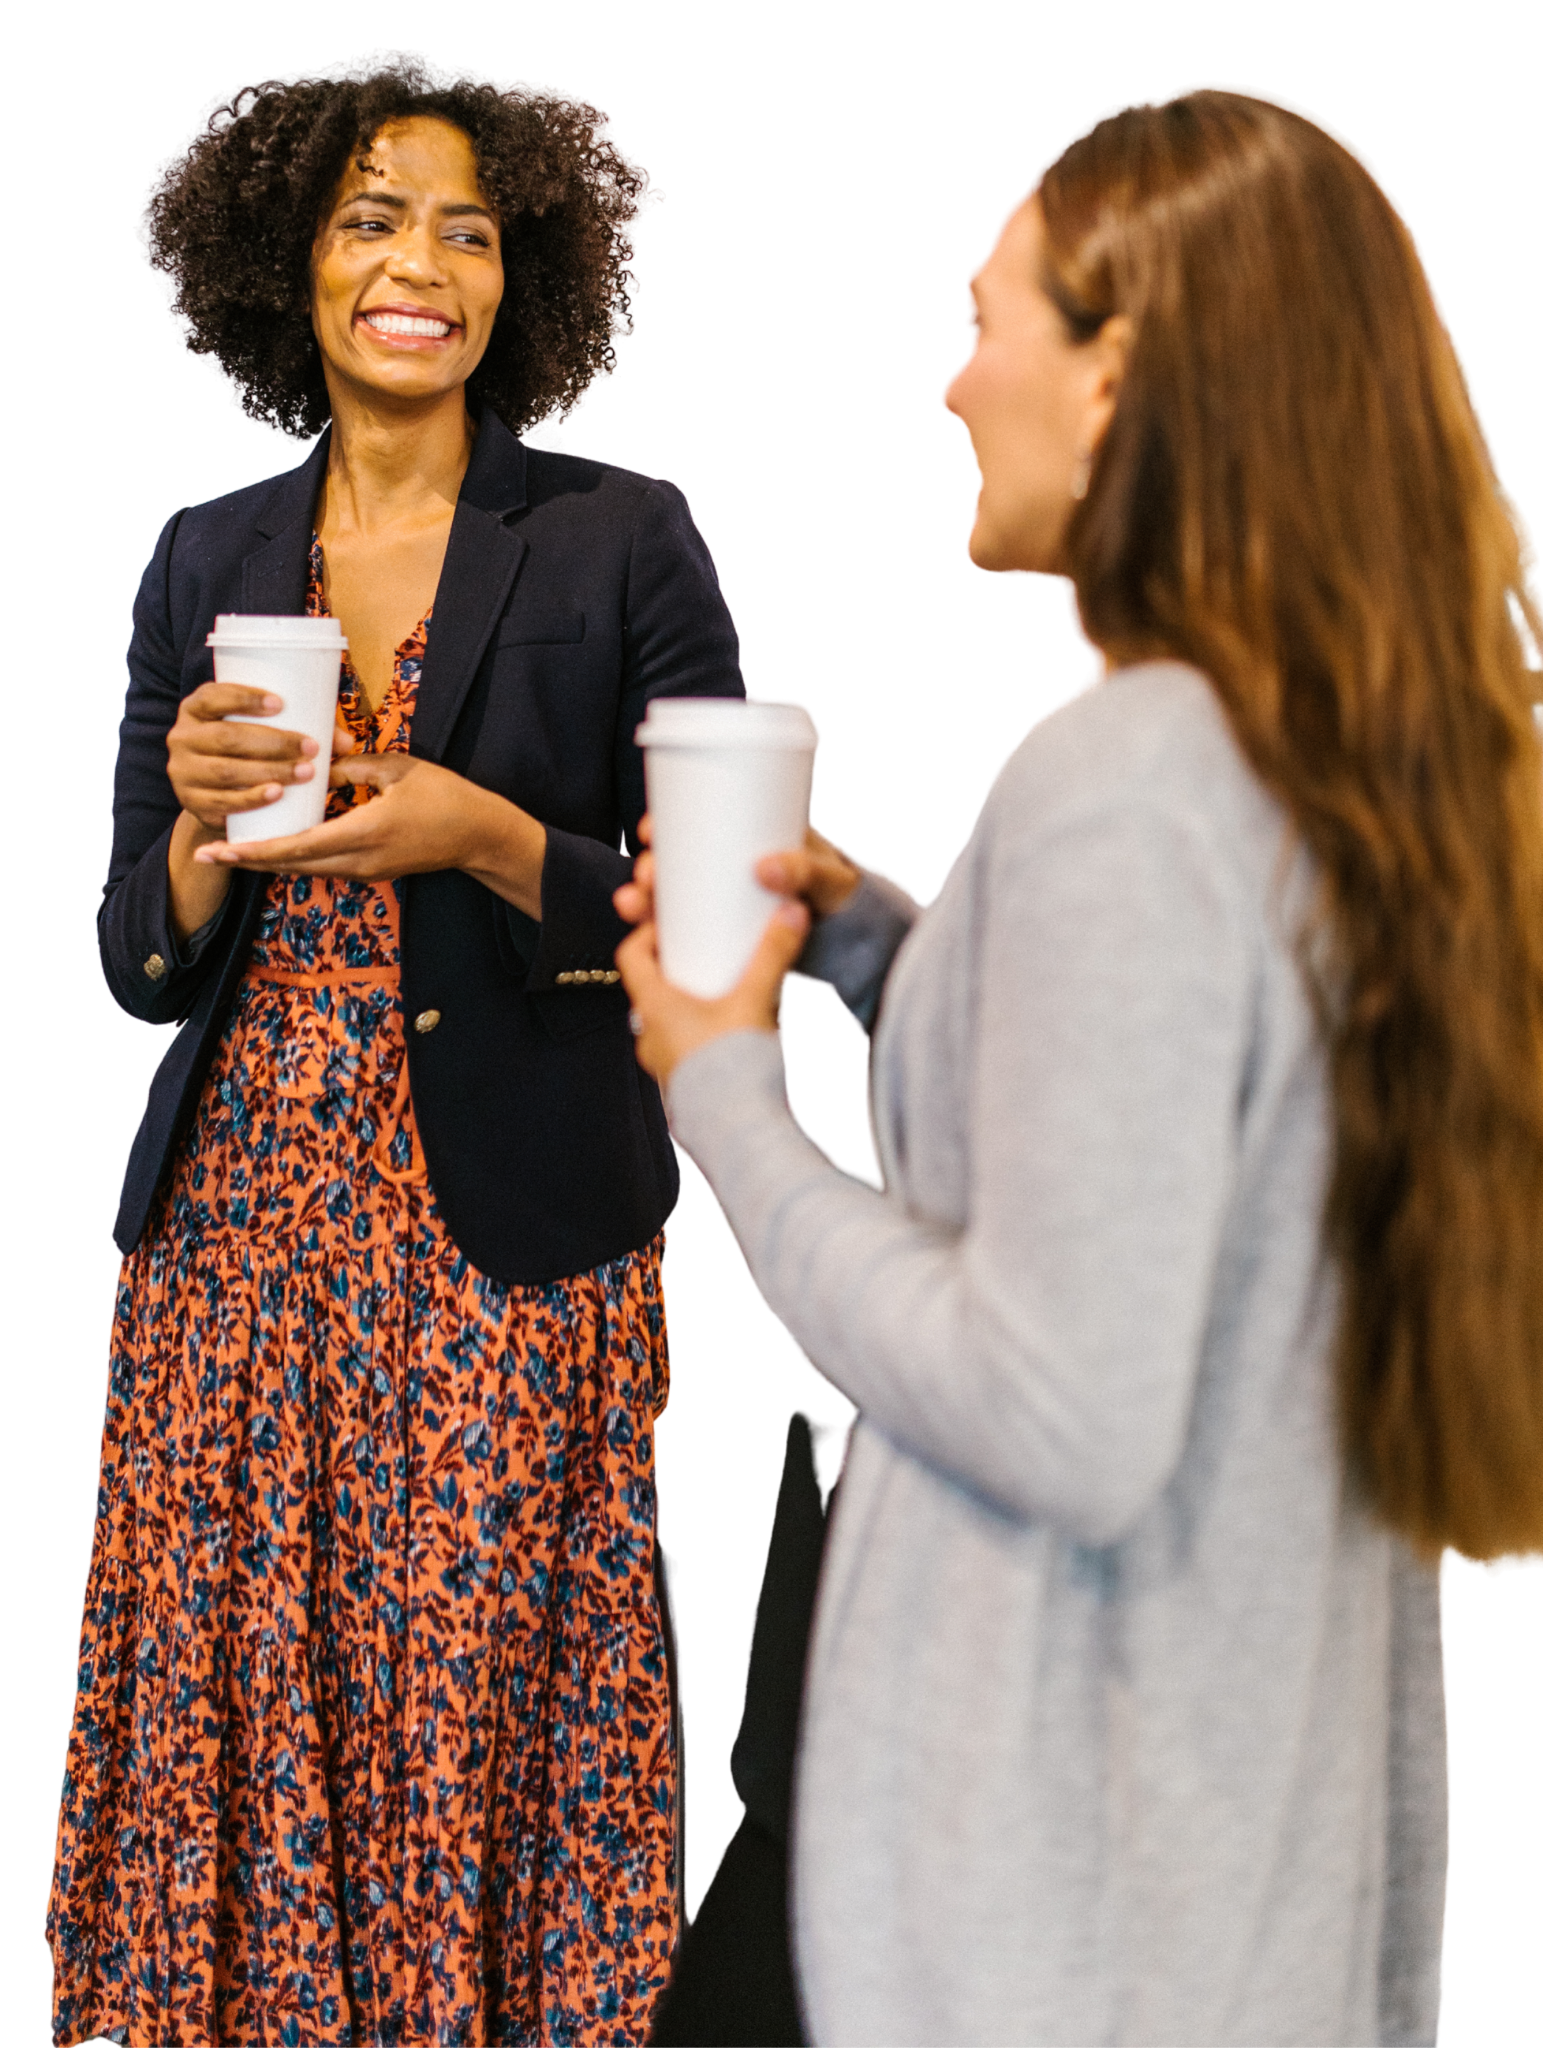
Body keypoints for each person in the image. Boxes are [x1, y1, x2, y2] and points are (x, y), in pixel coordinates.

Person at [616, 83, 1543, 2048]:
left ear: (1115, 377)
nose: (953, 387)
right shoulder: (1299, 755)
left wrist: (726, 1102)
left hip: (1066, 1926)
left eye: (984, 325)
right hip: (1220, 1887)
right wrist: (884, 948)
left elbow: (1056, 1408)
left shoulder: (1125, 780)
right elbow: (1168, 1145)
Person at [48, 53, 742, 2048]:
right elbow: (135, 960)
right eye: (370, 219)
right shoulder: (200, 557)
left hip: (503, 1228)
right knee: (235, 1695)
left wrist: (487, 837)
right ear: (292, 259)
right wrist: (200, 836)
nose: (418, 263)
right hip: (236, 1236)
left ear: (524, 279)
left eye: (466, 228)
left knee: (472, 1702)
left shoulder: (621, 537)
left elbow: (718, 909)